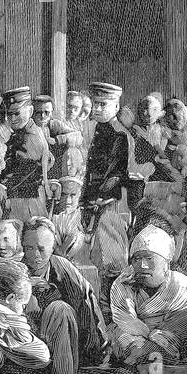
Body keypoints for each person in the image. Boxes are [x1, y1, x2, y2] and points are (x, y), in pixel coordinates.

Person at [19, 217, 106, 374]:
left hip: (61, 344)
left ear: (52, 248)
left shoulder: (64, 269)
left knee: (60, 309)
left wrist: (98, 349)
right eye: (29, 248)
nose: (36, 255)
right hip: (25, 345)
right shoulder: (15, 271)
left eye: (41, 249)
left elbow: (86, 306)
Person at [105, 224, 187, 370]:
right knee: (122, 338)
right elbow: (124, 320)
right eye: (137, 259)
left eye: (149, 258)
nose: (142, 265)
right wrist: (148, 335)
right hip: (134, 338)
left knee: (154, 353)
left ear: (166, 263)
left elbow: (180, 328)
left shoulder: (183, 286)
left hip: (170, 339)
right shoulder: (122, 283)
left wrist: (152, 344)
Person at [82, 81, 132, 313]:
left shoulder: (118, 135)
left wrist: (99, 197)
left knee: (112, 262)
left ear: (116, 105)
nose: (98, 109)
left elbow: (116, 174)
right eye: (95, 104)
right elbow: (90, 172)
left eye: (103, 104)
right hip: (95, 203)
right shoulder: (100, 131)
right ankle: (104, 311)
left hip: (111, 205)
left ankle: (113, 312)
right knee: (98, 260)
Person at [0, 86, 52, 224]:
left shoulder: (31, 137)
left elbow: (18, 171)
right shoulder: (24, 132)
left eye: (16, 113)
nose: (12, 118)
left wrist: (0, 184)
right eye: (9, 114)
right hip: (24, 200)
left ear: (31, 111)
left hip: (26, 203)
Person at [128, 93, 167, 214]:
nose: (149, 113)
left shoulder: (163, 131)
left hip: (158, 175)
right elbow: (131, 154)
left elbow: (163, 155)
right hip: (138, 175)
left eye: (154, 110)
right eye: (145, 109)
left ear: (160, 112)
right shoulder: (134, 131)